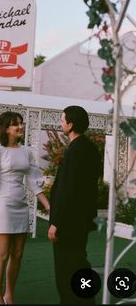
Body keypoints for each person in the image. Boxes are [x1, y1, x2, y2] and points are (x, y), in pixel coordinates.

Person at [0, 111, 50, 305]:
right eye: (14, 124)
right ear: (5, 128)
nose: (19, 127)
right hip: (2, 205)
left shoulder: (26, 151)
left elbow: (34, 181)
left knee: (18, 254)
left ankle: (10, 295)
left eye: (20, 123)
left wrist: (47, 205)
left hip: (21, 205)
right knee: (2, 253)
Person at [48, 105, 102, 305]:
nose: (60, 123)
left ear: (70, 125)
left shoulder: (77, 150)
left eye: (62, 120)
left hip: (69, 222)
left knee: (67, 267)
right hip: (81, 220)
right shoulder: (89, 148)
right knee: (78, 262)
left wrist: (56, 222)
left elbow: (69, 191)